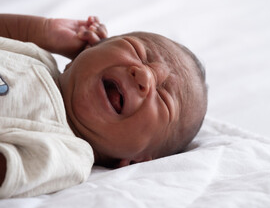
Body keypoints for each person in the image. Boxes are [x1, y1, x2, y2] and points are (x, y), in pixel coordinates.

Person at [0, 14, 207, 198]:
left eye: (163, 98)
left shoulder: (71, 154)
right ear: (86, 50)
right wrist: (41, 31)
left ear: (135, 160)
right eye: (139, 52)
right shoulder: (36, 55)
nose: (143, 75)